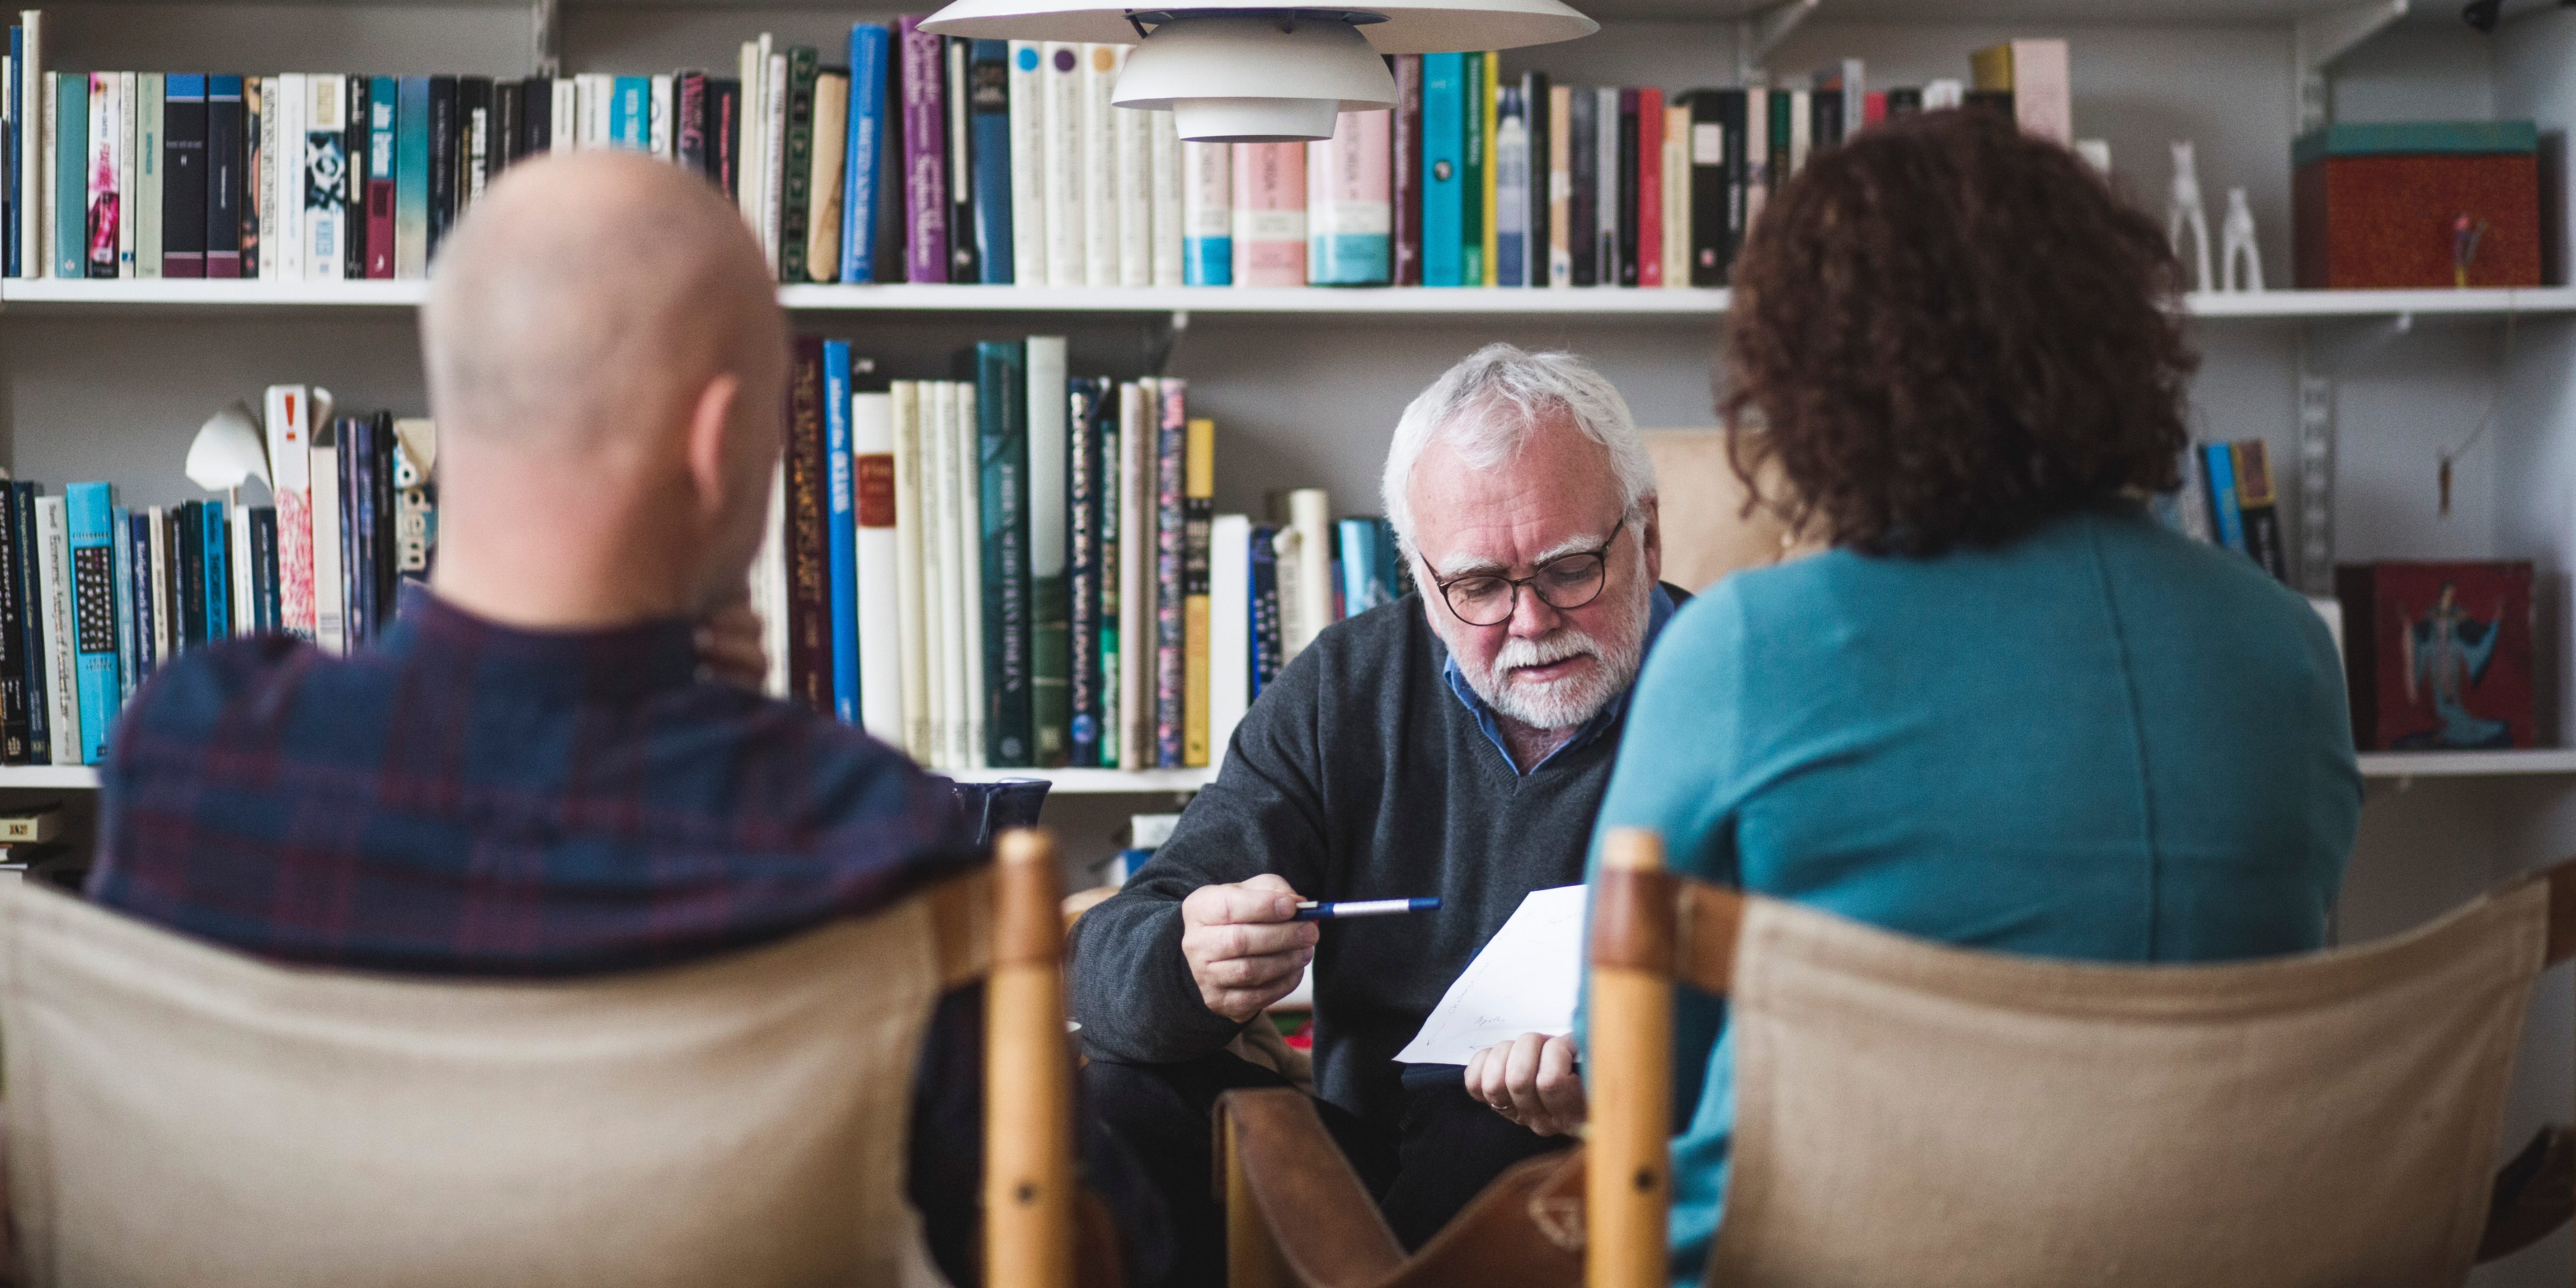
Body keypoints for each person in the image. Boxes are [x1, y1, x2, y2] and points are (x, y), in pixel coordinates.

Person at [84, 152, 1161, 1286]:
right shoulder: (863, 839)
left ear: (460, 412)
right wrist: (744, 746)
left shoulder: (194, 756)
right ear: (719, 440)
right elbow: (1099, 1253)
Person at [1585, 108, 2363, 1285]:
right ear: (2114, 340)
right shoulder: (2285, 647)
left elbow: (1631, 1069)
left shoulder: (1742, 646)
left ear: (1808, 377)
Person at [1070, 343, 1694, 1283]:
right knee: (1124, 1098)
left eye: (1570, 570)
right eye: (1479, 588)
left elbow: (1816, 1016)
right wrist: (1190, 960)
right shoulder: (1349, 684)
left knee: (1502, 1139)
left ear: (1646, 534)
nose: (1529, 623)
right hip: (1362, 1171)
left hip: (1609, 1170)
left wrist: (1625, 1083)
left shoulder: (1733, 689)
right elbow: (1115, 951)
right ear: (1420, 575)